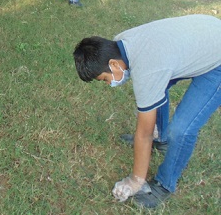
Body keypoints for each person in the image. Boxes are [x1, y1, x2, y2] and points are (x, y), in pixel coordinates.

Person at [73, 14, 221, 208]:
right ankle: (161, 140)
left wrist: (136, 180)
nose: (109, 84)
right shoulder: (122, 42)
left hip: (217, 59)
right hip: (205, 36)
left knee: (181, 129)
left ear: (114, 64)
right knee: (154, 91)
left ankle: (165, 184)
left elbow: (144, 133)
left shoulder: (148, 69)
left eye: (104, 79)